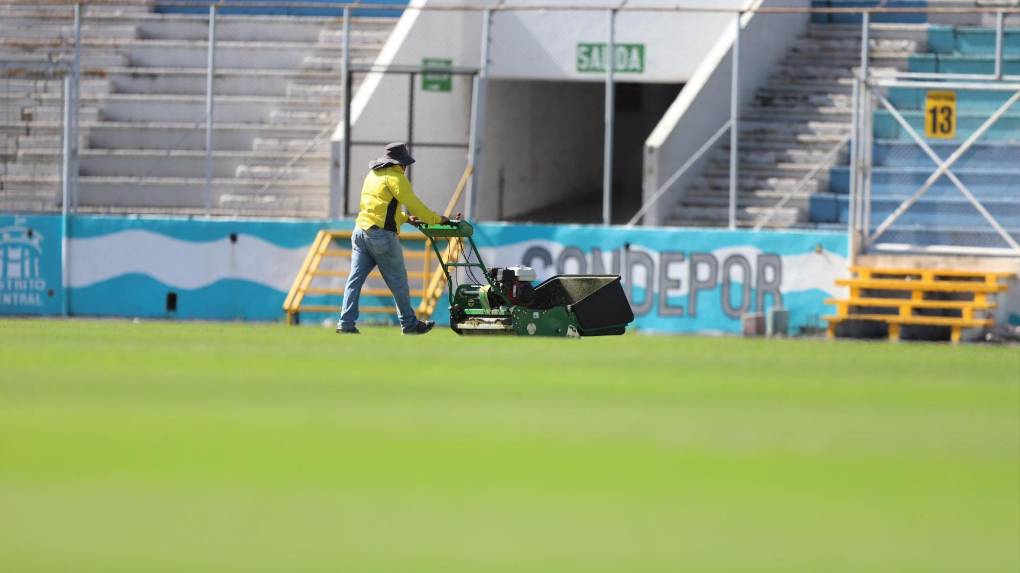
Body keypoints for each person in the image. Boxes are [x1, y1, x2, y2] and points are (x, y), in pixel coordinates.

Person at [337, 142, 449, 335]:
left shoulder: (373, 175)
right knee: (398, 282)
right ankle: (409, 324)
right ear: (401, 164)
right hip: (381, 237)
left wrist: (405, 218)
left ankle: (345, 323)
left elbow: (380, 207)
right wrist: (437, 220)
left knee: (354, 281)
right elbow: (415, 205)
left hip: (360, 232)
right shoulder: (396, 178)